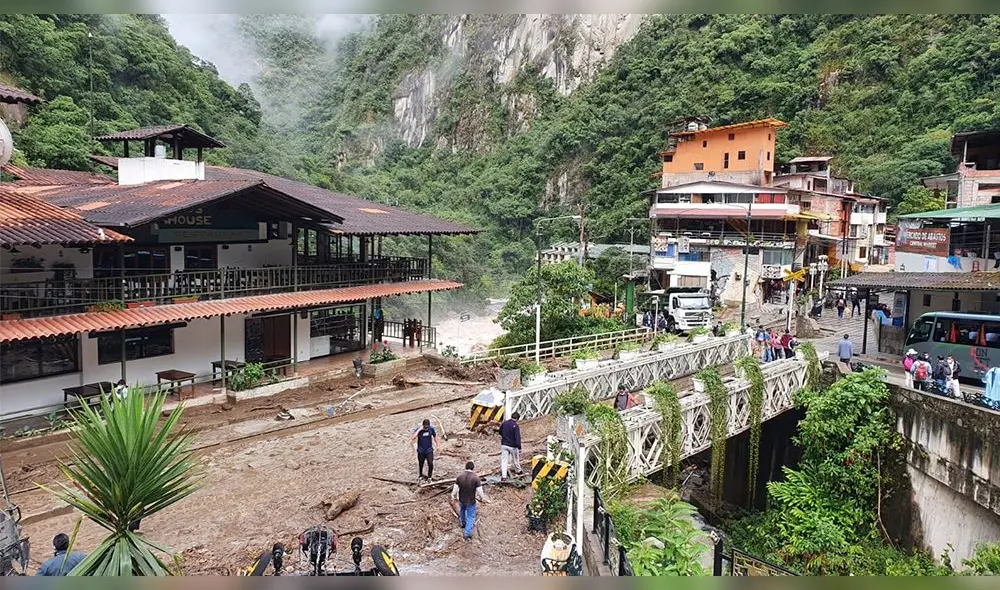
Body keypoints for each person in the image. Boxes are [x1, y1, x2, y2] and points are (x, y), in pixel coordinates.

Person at [451, 461, 490, 540]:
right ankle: (466, 533)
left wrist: (453, 496)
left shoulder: (460, 477)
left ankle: (463, 523)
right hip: (471, 500)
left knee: (462, 510)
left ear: (465, 467)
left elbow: (455, 489)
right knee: (471, 516)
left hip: (461, 498)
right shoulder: (475, 478)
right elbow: (480, 491)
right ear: (473, 468)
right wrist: (483, 498)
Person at [499, 412, 524, 480]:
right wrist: (519, 447)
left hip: (504, 444)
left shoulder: (504, 423)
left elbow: (500, 431)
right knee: (515, 459)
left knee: (504, 461)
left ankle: (504, 476)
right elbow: (517, 437)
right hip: (513, 446)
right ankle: (518, 471)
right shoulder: (515, 426)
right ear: (517, 418)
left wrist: (505, 437)